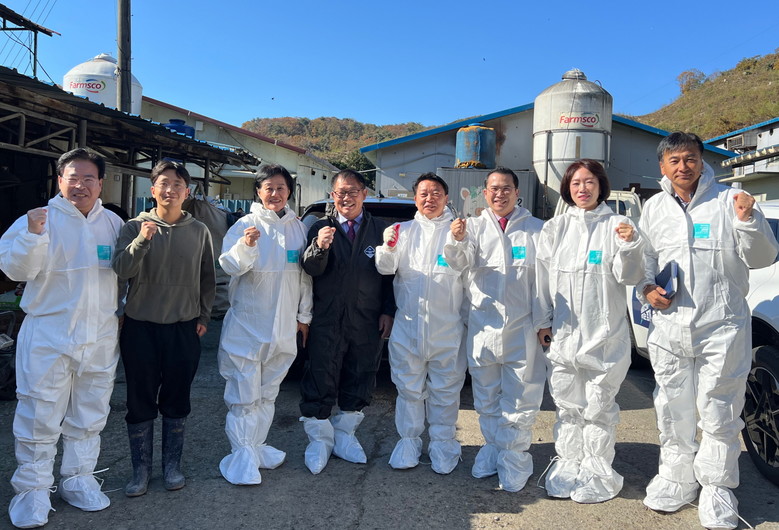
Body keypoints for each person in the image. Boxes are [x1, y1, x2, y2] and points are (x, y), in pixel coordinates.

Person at [638, 132, 778, 529]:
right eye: (675, 160)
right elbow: (644, 259)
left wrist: (748, 220)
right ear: (662, 167)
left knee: (720, 410)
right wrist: (646, 288)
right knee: (672, 407)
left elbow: (763, 256)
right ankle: (677, 478)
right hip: (670, 327)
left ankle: (717, 488)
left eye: (690, 158)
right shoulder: (654, 208)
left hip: (722, 325)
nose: (683, 166)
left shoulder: (729, 201)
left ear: (702, 162)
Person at [0, 148, 124, 528]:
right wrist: (34, 235)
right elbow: (15, 269)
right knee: (39, 415)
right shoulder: (39, 219)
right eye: (73, 177)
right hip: (48, 334)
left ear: (100, 183)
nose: (80, 185)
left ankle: (78, 479)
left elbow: (127, 271)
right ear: (59, 181)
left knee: (90, 412)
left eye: (89, 178)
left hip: (100, 335)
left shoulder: (113, 223)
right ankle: (33, 490)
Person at [535, 159, 644, 503]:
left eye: (589, 182)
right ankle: (568, 463)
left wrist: (630, 246)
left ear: (601, 186)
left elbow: (629, 276)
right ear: (567, 189)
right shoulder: (556, 228)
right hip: (564, 334)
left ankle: (597, 470)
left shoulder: (618, 225)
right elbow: (542, 279)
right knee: (566, 404)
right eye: (576, 183)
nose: (582, 189)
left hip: (604, 335)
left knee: (598, 406)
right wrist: (543, 320)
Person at [112, 160, 215, 497]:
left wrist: (203, 318)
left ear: (187, 192)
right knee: (139, 399)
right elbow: (121, 269)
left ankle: (172, 466)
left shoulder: (199, 230)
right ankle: (140, 471)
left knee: (177, 398)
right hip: (140, 327)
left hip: (183, 328)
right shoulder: (134, 226)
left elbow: (207, 278)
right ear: (153, 189)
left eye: (177, 184)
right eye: (164, 183)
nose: (170, 190)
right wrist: (142, 240)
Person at [443, 168, 545, 491]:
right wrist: (457, 240)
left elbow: (544, 282)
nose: (500, 194)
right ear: (485, 193)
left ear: (517, 193)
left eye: (506, 188)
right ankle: (493, 448)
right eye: (494, 189)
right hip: (483, 327)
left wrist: (544, 322)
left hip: (522, 328)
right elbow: (458, 264)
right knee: (485, 396)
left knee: (521, 396)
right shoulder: (472, 228)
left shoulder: (535, 229)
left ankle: (514, 456)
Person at [217, 165, 313, 485]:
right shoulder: (245, 225)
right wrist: (246, 246)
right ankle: (242, 453)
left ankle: (256, 446)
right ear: (258, 191)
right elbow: (229, 265)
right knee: (244, 395)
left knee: (268, 393)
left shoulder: (297, 228)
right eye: (268, 188)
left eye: (281, 188)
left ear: (289, 192)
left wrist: (304, 316)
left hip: (282, 328)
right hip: (247, 327)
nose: (274, 193)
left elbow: (304, 278)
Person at [299, 169, 395, 474]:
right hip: (327, 318)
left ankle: (345, 436)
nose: (347, 197)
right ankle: (319, 440)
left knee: (361, 374)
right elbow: (310, 270)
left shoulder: (380, 229)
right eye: (341, 192)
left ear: (365, 194)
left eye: (353, 191)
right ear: (333, 195)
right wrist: (320, 247)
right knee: (320, 375)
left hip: (366, 319)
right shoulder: (320, 227)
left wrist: (388, 311)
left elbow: (391, 276)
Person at [376, 173, 467, 475]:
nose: (430, 199)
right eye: (424, 193)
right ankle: (409, 443)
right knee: (408, 389)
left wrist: (458, 240)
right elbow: (385, 268)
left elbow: (465, 267)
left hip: (447, 329)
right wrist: (388, 247)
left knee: (446, 391)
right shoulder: (402, 231)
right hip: (408, 327)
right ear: (415, 198)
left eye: (436, 193)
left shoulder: (458, 231)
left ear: (446, 198)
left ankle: (443, 444)